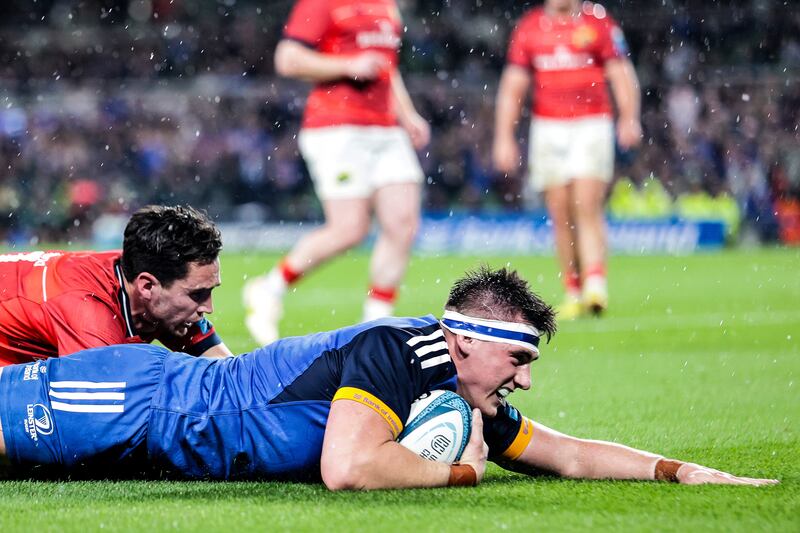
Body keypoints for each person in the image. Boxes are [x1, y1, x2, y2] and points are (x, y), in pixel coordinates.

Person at [0, 266, 776, 489]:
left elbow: (567, 453)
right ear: (468, 342)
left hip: (153, 440)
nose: (525, 382)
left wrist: (678, 471)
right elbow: (348, 467)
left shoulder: (455, 385)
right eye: (520, 359)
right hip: (138, 401)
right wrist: (461, 471)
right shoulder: (397, 351)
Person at [242, 0, 430, 345]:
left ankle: (375, 325)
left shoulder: (387, 7)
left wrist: (407, 113)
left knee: (403, 222)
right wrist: (347, 65)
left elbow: (389, 67)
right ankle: (269, 288)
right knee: (349, 228)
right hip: (337, 127)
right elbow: (287, 59)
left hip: (385, 128)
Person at [493, 0, 643, 319]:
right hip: (548, 128)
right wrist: (504, 136)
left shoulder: (597, 22)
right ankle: (573, 291)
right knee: (560, 212)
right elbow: (513, 86)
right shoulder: (530, 27)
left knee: (585, 203)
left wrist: (629, 117)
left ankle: (595, 284)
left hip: (591, 123)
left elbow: (621, 73)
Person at [0, 205, 232, 367]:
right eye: (197, 294)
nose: (207, 308)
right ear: (147, 287)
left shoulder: (150, 274)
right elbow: (103, 421)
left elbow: (229, 376)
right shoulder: (89, 317)